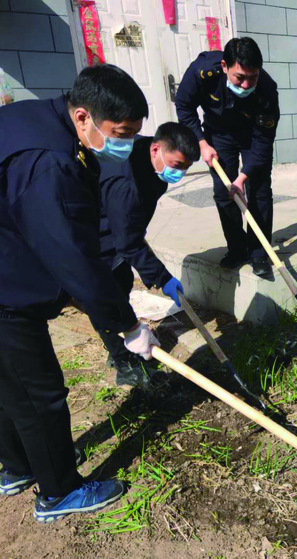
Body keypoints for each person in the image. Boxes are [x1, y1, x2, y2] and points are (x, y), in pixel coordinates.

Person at [0, 65, 159, 523]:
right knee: (39, 393)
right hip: (5, 295)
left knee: (8, 385)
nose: (125, 144)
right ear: (85, 116)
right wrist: (127, 325)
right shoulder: (47, 161)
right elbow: (71, 255)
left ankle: (15, 468)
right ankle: (57, 493)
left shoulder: (38, 118)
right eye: (120, 133)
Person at [98, 122, 200, 387]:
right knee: (107, 297)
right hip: (94, 232)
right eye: (176, 165)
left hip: (120, 222)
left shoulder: (150, 156)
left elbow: (133, 228)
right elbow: (128, 243)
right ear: (156, 148)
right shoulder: (126, 183)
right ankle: (123, 362)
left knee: (120, 285)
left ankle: (121, 346)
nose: (179, 173)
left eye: (185, 167)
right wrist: (161, 277)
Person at [175, 37, 280, 275]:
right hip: (218, 134)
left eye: (251, 77)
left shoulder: (266, 90)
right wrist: (201, 142)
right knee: (223, 192)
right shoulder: (202, 72)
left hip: (252, 135)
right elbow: (184, 106)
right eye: (239, 77)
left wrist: (242, 178)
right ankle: (237, 248)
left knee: (260, 189)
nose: (245, 85)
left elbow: (263, 142)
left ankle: (259, 252)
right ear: (224, 67)